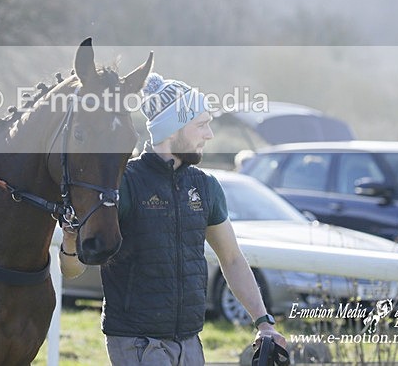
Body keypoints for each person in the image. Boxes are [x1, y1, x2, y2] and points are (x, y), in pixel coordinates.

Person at [60, 73, 285, 366]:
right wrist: (70, 239)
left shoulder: (206, 187)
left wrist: (264, 322)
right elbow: (72, 269)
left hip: (190, 340)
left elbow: (232, 259)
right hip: (137, 342)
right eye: (201, 125)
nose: (209, 134)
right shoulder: (124, 184)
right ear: (171, 129)